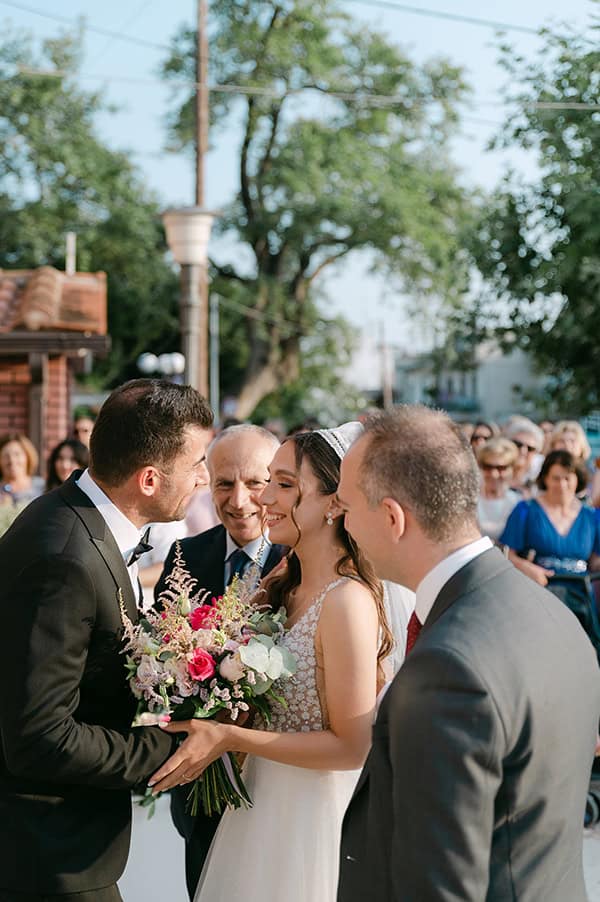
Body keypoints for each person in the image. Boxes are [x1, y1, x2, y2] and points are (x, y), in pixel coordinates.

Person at [335, 405, 600, 902]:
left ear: (392, 517)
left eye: (346, 507)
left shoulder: (449, 668)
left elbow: (441, 886)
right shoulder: (551, 612)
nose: (342, 522)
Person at [149, 423, 393, 902]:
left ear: (335, 502)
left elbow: (353, 746)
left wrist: (231, 737)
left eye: (283, 485)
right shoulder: (285, 588)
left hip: (310, 819)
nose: (262, 501)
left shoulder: (347, 601)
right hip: (257, 807)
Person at [0, 379, 214, 901]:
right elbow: (39, 737)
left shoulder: (77, 517)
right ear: (148, 479)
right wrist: (170, 748)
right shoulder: (65, 557)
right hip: (47, 855)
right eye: (198, 463)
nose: (205, 480)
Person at [154, 423, 288, 899]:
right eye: (224, 483)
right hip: (202, 787)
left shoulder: (304, 557)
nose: (239, 500)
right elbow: (161, 655)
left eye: (255, 483)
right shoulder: (185, 556)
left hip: (279, 777)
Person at [500, 449, 600, 653]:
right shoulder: (525, 510)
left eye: (567, 478)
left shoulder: (591, 517)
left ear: (577, 479)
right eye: (555, 478)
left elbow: (595, 562)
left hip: (580, 597)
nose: (562, 485)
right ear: (545, 478)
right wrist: (527, 568)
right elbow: (506, 554)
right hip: (539, 592)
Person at [476, 436, 520, 541]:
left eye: (501, 468)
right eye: (488, 467)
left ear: (512, 469)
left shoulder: (518, 501)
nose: (494, 474)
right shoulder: (469, 499)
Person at [502, 415, 545, 495]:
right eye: (518, 444)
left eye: (530, 448)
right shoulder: (493, 472)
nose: (523, 451)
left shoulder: (541, 478)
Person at [0, 432, 45, 506]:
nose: (12, 460)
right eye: (6, 456)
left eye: (17, 454)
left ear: (28, 457)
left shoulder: (42, 487)